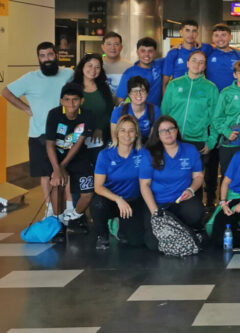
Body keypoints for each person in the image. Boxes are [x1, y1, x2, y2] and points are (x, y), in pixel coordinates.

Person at [2, 42, 73, 218]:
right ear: (38, 58)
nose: (46, 59)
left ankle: (69, 209)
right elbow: (6, 92)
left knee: (67, 172)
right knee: (45, 175)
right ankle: (50, 210)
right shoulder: (30, 78)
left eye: (50, 54)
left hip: (65, 133)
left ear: (56, 55)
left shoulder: (69, 74)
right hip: (38, 134)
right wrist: (25, 109)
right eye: (42, 56)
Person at [160, 50, 219, 206]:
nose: (197, 64)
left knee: (195, 180)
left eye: (201, 62)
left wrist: (211, 141)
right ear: (187, 63)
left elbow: (215, 117)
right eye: (194, 60)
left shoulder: (211, 88)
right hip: (173, 140)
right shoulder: (174, 84)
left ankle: (195, 217)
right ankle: (171, 211)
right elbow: (164, 113)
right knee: (173, 177)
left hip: (197, 141)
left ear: (205, 66)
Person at [139, 116, 205, 251]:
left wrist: (191, 190)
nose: (167, 133)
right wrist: (156, 213)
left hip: (181, 200)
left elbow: (198, 176)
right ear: (157, 134)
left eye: (170, 129)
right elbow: (144, 185)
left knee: (196, 212)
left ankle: (189, 230)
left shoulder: (190, 150)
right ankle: (182, 231)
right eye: (162, 131)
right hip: (158, 204)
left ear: (176, 130)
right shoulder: (148, 154)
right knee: (153, 244)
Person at [45, 82, 95, 239]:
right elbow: (49, 144)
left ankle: (73, 218)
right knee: (57, 184)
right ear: (61, 101)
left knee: (88, 193)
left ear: (81, 101)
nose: (71, 104)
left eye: (75, 99)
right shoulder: (54, 114)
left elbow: (78, 143)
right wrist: (57, 169)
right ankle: (59, 224)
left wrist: (63, 167)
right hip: (56, 157)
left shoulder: (87, 115)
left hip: (79, 156)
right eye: (67, 99)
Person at [92, 115, 146, 250]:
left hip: (133, 201)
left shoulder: (143, 153)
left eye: (131, 130)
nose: (127, 134)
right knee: (97, 204)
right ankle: (102, 235)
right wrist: (118, 199)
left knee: (135, 241)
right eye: (122, 130)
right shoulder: (105, 155)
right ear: (116, 133)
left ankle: (119, 226)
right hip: (111, 201)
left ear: (137, 133)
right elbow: (98, 187)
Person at [73, 53, 115, 159]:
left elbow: (109, 110)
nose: (93, 70)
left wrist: (100, 128)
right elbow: (65, 112)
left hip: (100, 137)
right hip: (76, 138)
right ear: (82, 66)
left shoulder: (103, 87)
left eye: (97, 67)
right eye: (90, 65)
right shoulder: (72, 87)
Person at [162, 19, 213, 92]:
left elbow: (222, 48)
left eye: (194, 31)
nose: (191, 34)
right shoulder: (173, 53)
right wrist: (165, 102)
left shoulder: (204, 48)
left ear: (197, 33)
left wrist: (235, 51)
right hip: (178, 94)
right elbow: (165, 82)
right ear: (181, 32)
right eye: (187, 30)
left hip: (198, 93)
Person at [110, 76, 160, 144]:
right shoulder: (118, 112)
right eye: (135, 91)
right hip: (123, 145)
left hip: (146, 147)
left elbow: (152, 140)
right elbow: (115, 140)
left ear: (147, 93)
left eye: (142, 90)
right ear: (129, 94)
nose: (138, 94)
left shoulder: (154, 110)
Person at [116, 37, 163, 107]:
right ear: (137, 52)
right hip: (137, 114)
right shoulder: (129, 73)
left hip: (157, 113)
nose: (146, 54)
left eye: (150, 51)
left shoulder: (160, 64)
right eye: (143, 51)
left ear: (155, 53)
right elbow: (120, 99)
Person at [205, 23, 240, 92]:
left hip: (233, 97)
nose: (220, 39)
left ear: (230, 37)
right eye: (216, 35)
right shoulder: (207, 53)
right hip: (213, 98)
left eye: (223, 35)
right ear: (212, 38)